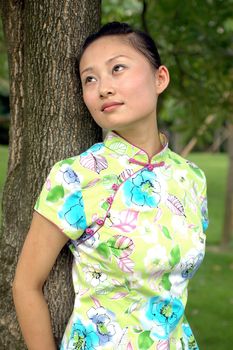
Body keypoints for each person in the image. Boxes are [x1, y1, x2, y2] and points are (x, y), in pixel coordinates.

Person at [13, 22, 209, 350]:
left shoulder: (192, 179)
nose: (103, 87)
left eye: (117, 68)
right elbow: (25, 285)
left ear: (159, 78)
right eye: (90, 78)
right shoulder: (76, 177)